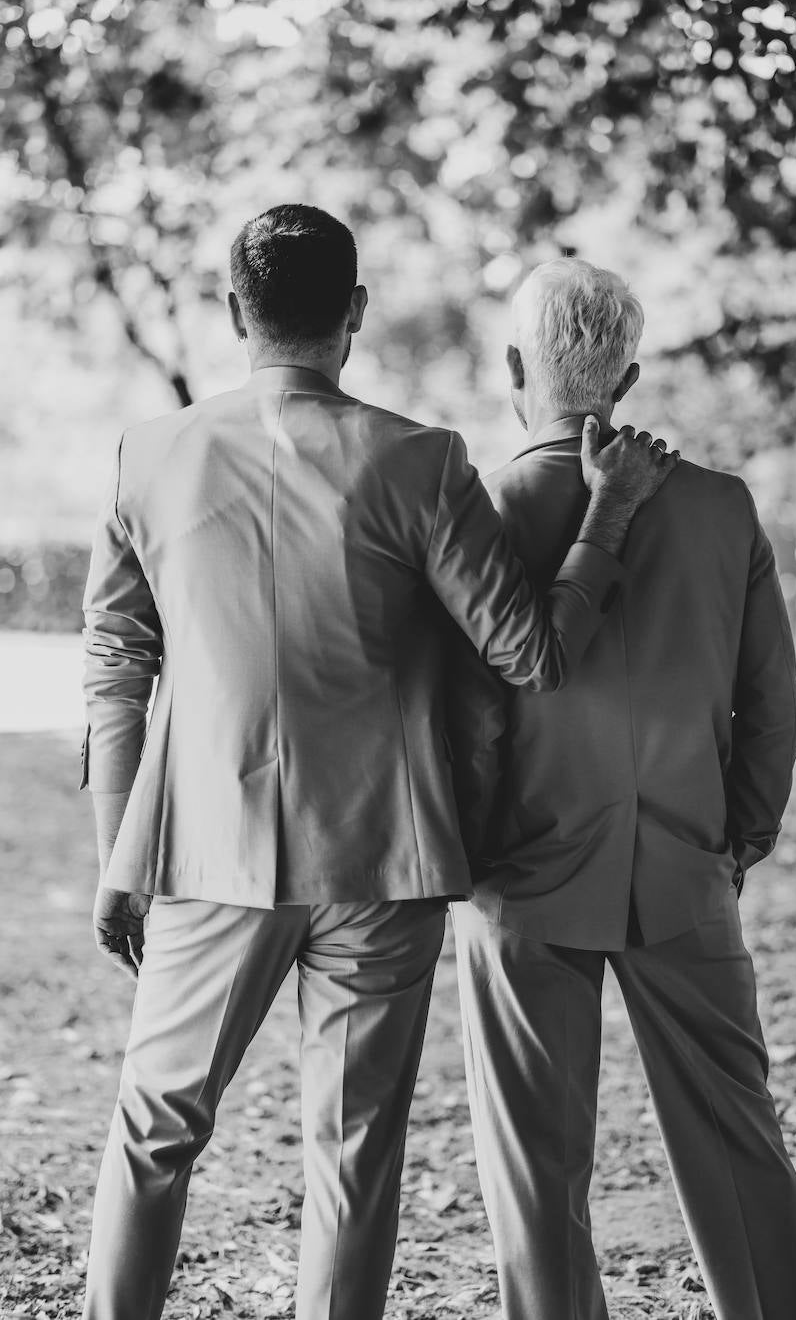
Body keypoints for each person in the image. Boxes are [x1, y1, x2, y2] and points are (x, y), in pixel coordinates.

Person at [79, 207, 676, 1320]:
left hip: (208, 849)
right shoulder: (423, 459)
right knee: (352, 1158)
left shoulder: (148, 452)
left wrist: (120, 844)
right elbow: (531, 656)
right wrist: (604, 521)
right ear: (355, 312)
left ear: (230, 313)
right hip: (383, 860)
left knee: (154, 1132)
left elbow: (117, 658)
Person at [448, 257, 796, 1320]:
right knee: (737, 1139)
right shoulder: (719, 509)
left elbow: (458, 717)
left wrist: (469, 859)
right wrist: (736, 841)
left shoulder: (473, 513)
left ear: (513, 366)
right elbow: (772, 711)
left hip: (518, 877)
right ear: (628, 378)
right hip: (683, 863)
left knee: (536, 1168)